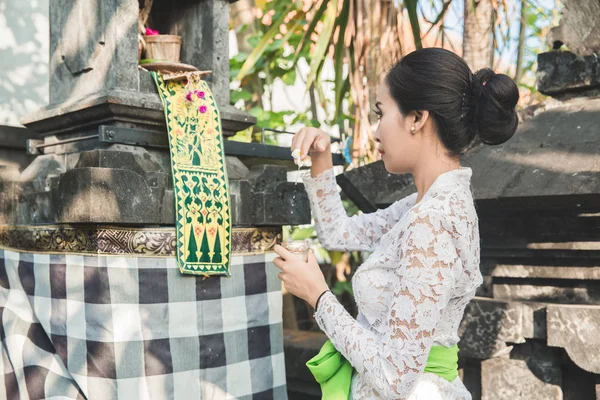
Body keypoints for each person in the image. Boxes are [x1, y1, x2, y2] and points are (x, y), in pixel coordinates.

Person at [273, 47, 519, 399]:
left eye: (381, 113)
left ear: (417, 118)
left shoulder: (432, 222)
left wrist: (318, 296)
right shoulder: (421, 205)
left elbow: (394, 377)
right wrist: (321, 157)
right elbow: (338, 233)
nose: (375, 132)